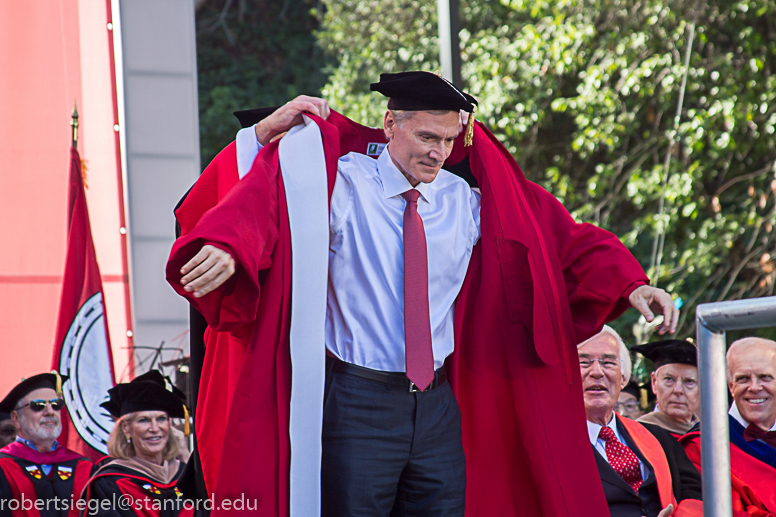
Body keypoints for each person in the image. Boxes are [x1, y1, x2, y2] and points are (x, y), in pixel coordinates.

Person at [165, 71, 679, 516]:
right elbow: (262, 208)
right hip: (355, 399)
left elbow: (558, 237)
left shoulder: (466, 200)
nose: (439, 152)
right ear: (391, 125)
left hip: (436, 404)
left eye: (451, 141)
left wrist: (631, 283)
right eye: (428, 136)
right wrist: (233, 246)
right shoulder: (340, 185)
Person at [578, 327, 702, 517]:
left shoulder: (658, 438)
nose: (597, 372)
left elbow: (695, 495)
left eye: (608, 362)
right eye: (584, 362)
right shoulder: (552, 449)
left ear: (624, 378)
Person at [680, 337, 776, 515]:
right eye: (743, 379)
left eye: (765, 377)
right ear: (731, 386)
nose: (754, 387)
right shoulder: (701, 445)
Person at [81, 371, 191, 517]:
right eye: (144, 420)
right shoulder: (110, 482)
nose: (154, 428)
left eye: (161, 419)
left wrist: (186, 457)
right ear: (126, 428)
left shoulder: (182, 474)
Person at [0, 372, 93, 517]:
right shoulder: (4, 465)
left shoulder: (84, 467)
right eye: (38, 405)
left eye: (56, 405)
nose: (50, 412)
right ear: (16, 418)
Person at [632, 340, 699, 436]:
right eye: (669, 379)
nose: (678, 390)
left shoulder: (710, 436)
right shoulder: (636, 434)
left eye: (689, 381)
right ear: (654, 382)